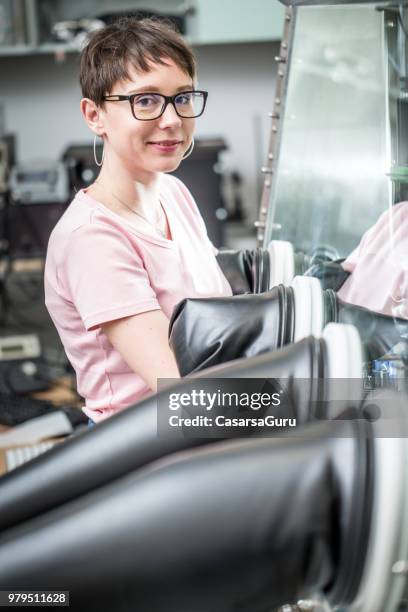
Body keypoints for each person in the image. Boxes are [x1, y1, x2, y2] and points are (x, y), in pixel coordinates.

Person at [44, 17, 232, 424]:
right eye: (145, 101)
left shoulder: (174, 193)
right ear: (94, 115)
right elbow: (184, 393)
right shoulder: (92, 238)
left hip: (203, 429)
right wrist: (325, 403)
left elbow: (215, 325)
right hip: (144, 453)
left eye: (182, 97)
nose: (172, 120)